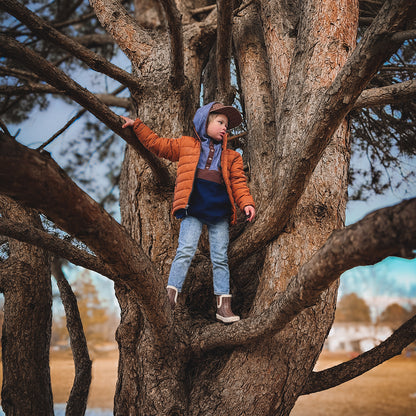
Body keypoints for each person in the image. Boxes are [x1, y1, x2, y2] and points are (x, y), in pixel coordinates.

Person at [121, 102, 255, 323]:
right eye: (220, 122)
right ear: (205, 121)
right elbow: (158, 145)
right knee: (185, 251)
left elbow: (239, 183)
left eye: (227, 126)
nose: (224, 128)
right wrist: (137, 126)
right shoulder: (186, 145)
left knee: (220, 258)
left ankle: (223, 307)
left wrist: (246, 203)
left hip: (219, 212)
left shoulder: (232, 157)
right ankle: (169, 299)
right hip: (193, 208)